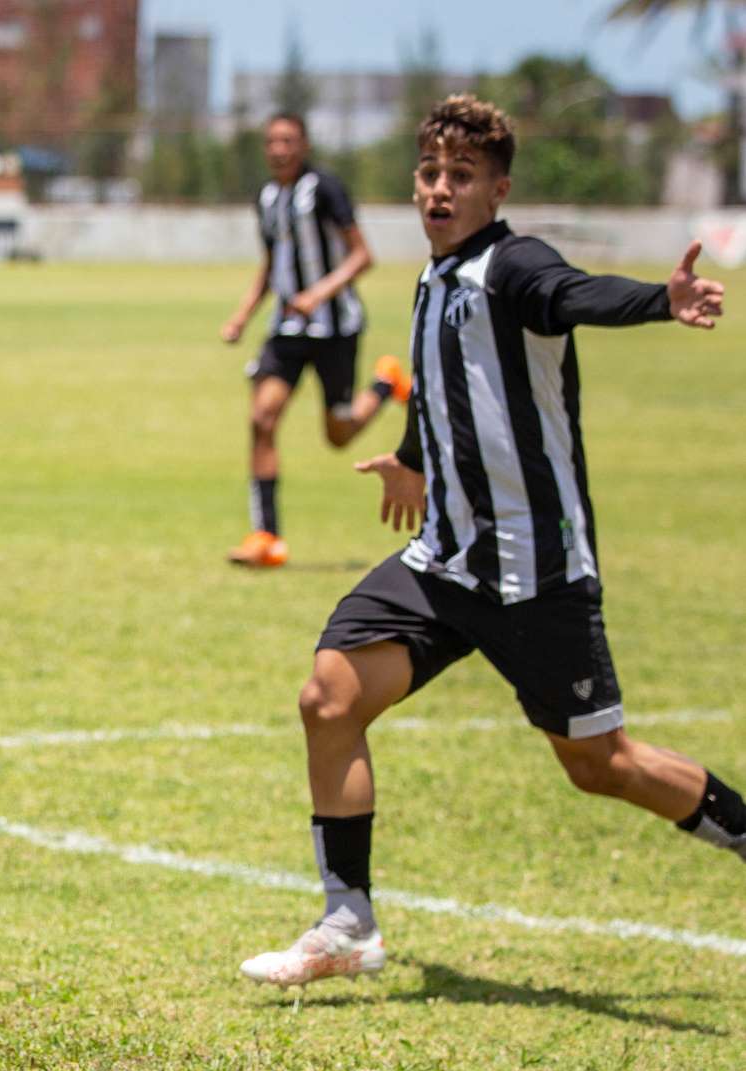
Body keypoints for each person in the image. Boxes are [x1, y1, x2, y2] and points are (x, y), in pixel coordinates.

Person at [240, 95, 734, 990]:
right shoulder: (434, 280)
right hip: (444, 561)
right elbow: (441, 390)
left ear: (496, 189)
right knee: (328, 695)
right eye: (429, 173)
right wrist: (410, 458)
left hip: (535, 570)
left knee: (600, 766)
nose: (439, 189)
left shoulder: (513, 265)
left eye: (460, 177)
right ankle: (347, 920)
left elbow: (572, 293)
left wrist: (658, 302)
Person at [221, 113, 412, 569]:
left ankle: (386, 383)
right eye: (271, 141)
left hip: (335, 329)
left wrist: (318, 294)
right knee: (262, 419)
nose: (278, 149)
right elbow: (272, 263)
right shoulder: (266, 198)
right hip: (286, 330)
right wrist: (243, 316)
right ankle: (267, 537)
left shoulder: (325, 189)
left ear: (303, 145)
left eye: (287, 141)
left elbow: (363, 256)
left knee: (339, 435)